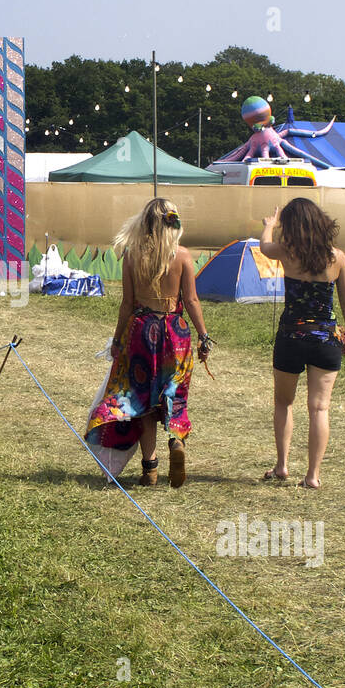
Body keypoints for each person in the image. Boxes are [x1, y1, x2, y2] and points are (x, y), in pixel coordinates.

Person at [86, 198, 211, 488]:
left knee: (142, 400)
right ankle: (177, 442)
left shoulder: (131, 256)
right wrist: (204, 336)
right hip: (175, 333)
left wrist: (117, 340)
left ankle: (150, 469)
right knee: (174, 393)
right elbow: (191, 300)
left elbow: (127, 304)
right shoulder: (182, 256)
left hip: (141, 332)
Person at [259, 197, 345, 490]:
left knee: (283, 402)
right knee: (319, 408)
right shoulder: (337, 257)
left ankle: (282, 465)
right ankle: (313, 475)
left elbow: (263, 247)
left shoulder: (286, 252)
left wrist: (269, 226)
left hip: (290, 336)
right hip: (325, 338)